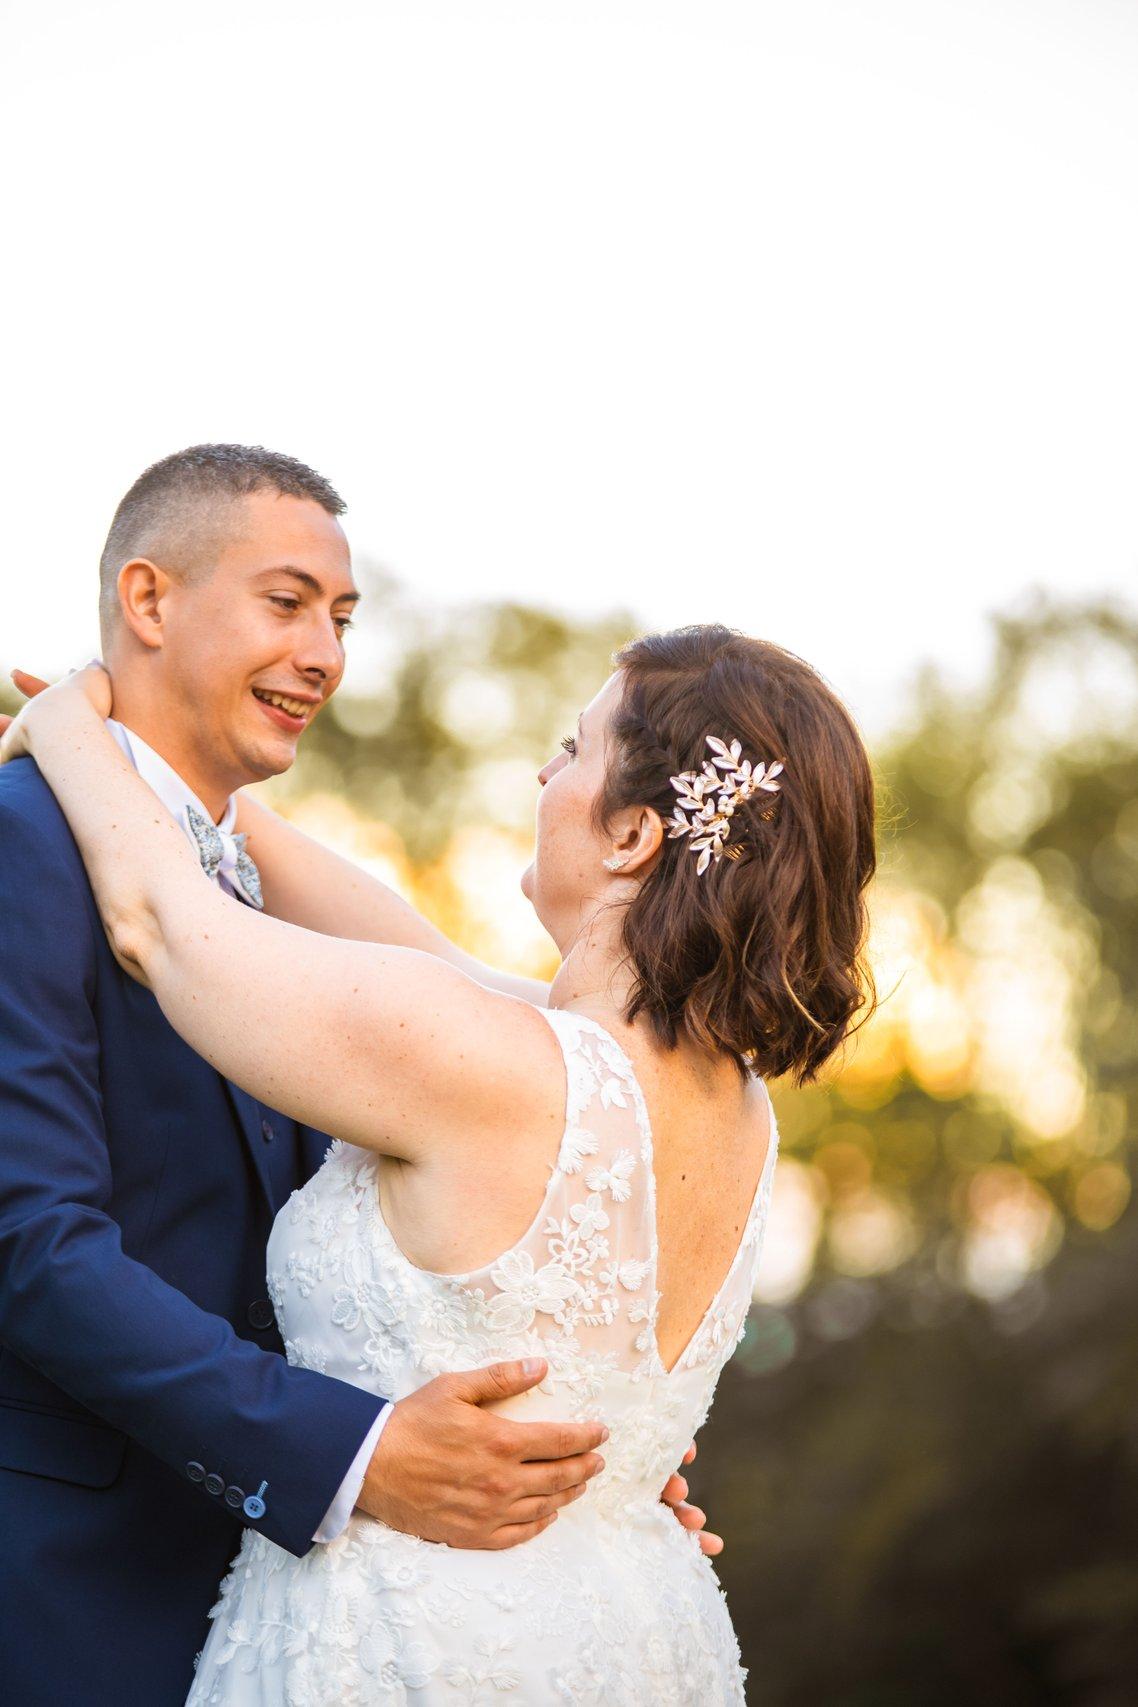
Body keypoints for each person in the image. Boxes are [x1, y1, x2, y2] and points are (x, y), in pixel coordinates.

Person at [1, 611, 877, 1702]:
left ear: (632, 835)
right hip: (628, 1631)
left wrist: (66, 731)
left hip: (417, 1642)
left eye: (573, 749)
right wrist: (173, 772)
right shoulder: (729, 1101)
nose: (542, 774)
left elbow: (160, 925)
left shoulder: (484, 1061)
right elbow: (413, 950)